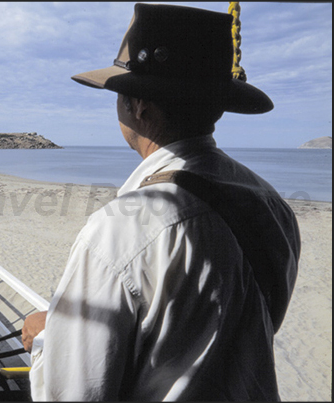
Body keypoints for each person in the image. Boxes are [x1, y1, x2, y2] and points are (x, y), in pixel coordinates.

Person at [22, 3, 301, 401]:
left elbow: (73, 392)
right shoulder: (273, 206)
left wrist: (49, 338)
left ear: (139, 106)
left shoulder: (119, 230)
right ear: (217, 104)